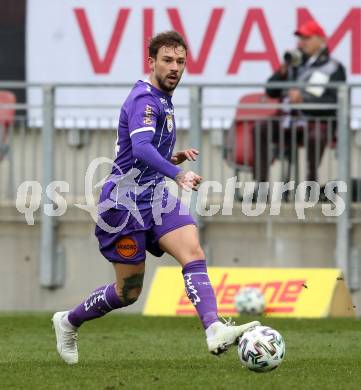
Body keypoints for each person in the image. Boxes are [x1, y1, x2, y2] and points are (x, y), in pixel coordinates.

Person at [52, 31, 259, 364]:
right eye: (167, 60)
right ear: (151, 63)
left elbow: (145, 149)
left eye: (180, 61)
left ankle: (214, 329)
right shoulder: (145, 100)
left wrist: (172, 157)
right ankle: (68, 321)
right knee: (128, 292)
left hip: (154, 197)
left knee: (193, 250)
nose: (174, 67)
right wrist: (177, 174)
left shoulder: (162, 99)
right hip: (123, 205)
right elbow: (142, 147)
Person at [254, 20, 346, 183]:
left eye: (307, 38)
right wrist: (282, 71)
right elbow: (270, 90)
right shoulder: (293, 63)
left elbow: (334, 101)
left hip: (317, 121)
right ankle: (260, 187)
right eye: (300, 39)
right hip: (289, 122)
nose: (301, 43)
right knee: (260, 127)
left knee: (315, 135)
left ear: (321, 40)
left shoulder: (333, 67)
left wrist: (304, 100)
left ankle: (311, 183)